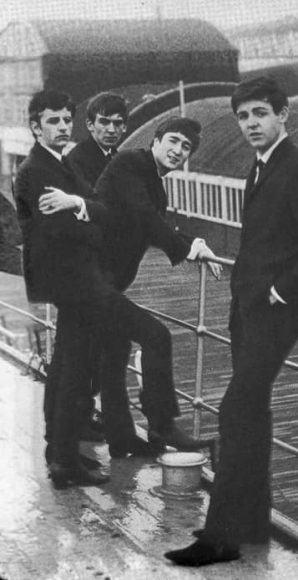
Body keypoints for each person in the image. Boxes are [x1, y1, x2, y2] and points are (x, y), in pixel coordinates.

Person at [164, 76, 298, 566]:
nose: (250, 125)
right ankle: (253, 524)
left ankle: (220, 538)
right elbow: (260, 242)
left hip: (276, 311)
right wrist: (248, 294)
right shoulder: (258, 168)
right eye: (243, 117)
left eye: (259, 113)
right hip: (248, 308)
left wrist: (279, 291)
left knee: (235, 411)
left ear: (283, 114)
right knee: (252, 412)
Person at [37, 107, 221, 461]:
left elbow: (142, 222)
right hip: (87, 281)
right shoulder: (129, 164)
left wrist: (192, 240)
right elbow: (142, 215)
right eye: (173, 141)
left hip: (100, 283)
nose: (178, 150)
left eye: (186, 147)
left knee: (114, 352)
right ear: (155, 142)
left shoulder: (152, 182)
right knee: (156, 336)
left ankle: (122, 439)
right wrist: (187, 248)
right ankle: (162, 425)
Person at [14, 89, 111, 488]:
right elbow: (62, 229)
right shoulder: (37, 171)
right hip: (68, 280)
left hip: (72, 278)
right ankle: (65, 463)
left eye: (67, 119)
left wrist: (82, 208)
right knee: (73, 369)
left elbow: (97, 204)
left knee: (65, 369)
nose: (63, 126)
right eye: (53, 121)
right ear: (36, 127)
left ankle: (60, 452)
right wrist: (91, 220)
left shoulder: (62, 164)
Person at [67, 92, 128, 442]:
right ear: (90, 125)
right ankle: (79, 415)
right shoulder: (77, 160)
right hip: (86, 268)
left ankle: (88, 412)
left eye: (118, 123)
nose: (111, 129)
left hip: (109, 268)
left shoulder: (118, 159)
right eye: (104, 122)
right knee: (85, 342)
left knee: (100, 341)